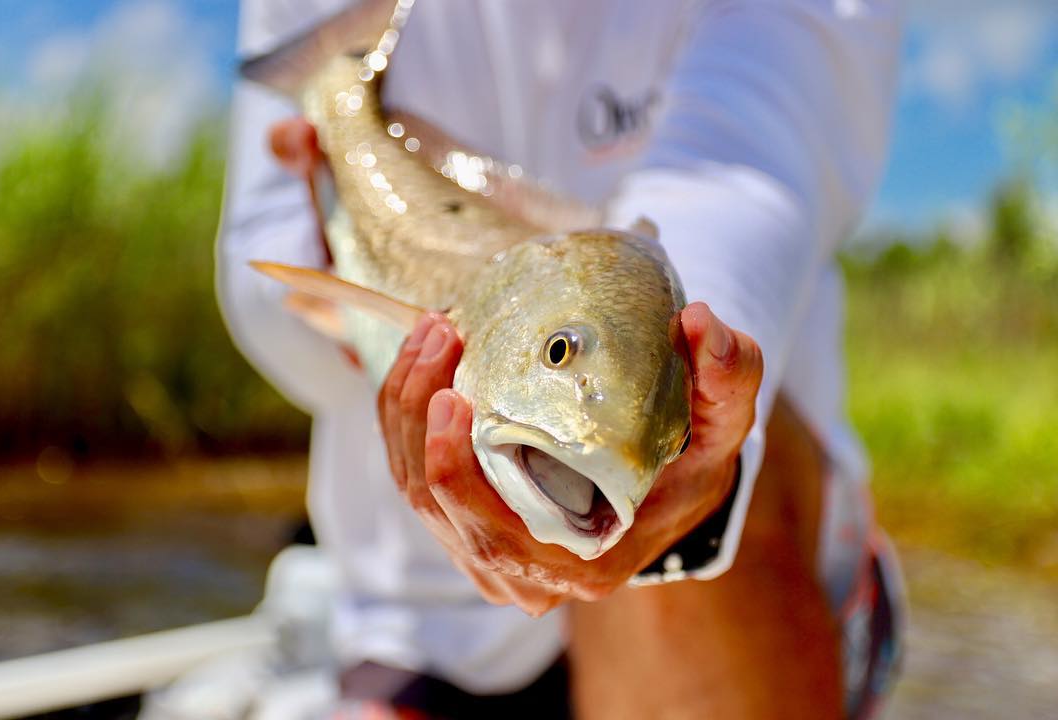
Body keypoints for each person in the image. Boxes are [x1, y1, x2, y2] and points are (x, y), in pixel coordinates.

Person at [217, 1, 905, 717]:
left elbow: (744, 162)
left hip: (748, 562)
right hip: (417, 617)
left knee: (698, 428)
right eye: (555, 354)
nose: (588, 436)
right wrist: (338, 209)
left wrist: (695, 460)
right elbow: (259, 284)